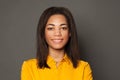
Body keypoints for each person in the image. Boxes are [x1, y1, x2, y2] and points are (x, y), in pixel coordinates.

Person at [21, 6, 93, 80]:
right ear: (43, 32)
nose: (57, 33)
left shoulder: (83, 67)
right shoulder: (29, 67)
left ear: (70, 32)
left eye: (63, 28)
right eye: (51, 28)